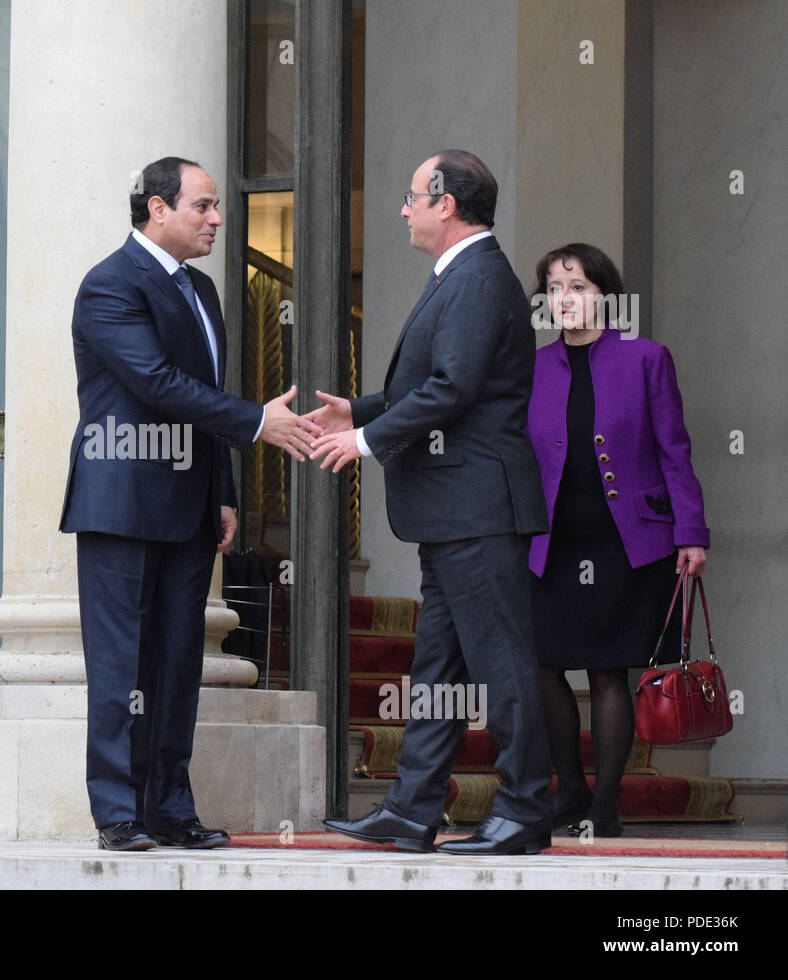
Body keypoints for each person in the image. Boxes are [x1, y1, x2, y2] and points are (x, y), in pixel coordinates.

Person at [59, 156, 320, 851]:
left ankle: (169, 809)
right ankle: (117, 813)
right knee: (120, 667)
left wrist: (224, 491)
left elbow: (200, 394)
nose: (215, 218)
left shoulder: (202, 290)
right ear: (156, 209)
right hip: (120, 499)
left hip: (189, 504)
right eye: (202, 206)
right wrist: (258, 423)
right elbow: (156, 381)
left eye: (214, 206)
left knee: (177, 664)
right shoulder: (110, 285)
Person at [308, 150, 553, 855]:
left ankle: (524, 810)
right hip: (455, 513)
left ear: (447, 203)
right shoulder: (463, 274)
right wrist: (356, 408)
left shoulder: (478, 277)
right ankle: (413, 808)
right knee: (439, 671)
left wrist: (364, 440)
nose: (404, 208)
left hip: (478, 507)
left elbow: (454, 389)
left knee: (501, 661)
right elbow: (437, 383)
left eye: (413, 196)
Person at [526, 243, 709, 838]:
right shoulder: (532, 368)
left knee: (608, 673)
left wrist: (691, 532)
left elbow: (674, 450)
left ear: (605, 294)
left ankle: (605, 802)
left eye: (577, 286)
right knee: (542, 664)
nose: (565, 299)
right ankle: (569, 789)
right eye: (554, 288)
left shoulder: (646, 358)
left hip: (628, 543)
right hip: (550, 544)